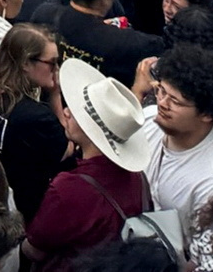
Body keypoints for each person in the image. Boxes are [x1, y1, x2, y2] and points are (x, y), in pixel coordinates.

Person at [23, 62, 154, 270]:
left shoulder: (69, 189)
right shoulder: (138, 178)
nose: (66, 112)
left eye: (75, 112)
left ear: (91, 131)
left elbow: (34, 247)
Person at [140, 47, 213, 241]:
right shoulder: (150, 119)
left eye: (175, 101)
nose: (162, 103)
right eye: (161, 91)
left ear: (207, 114)